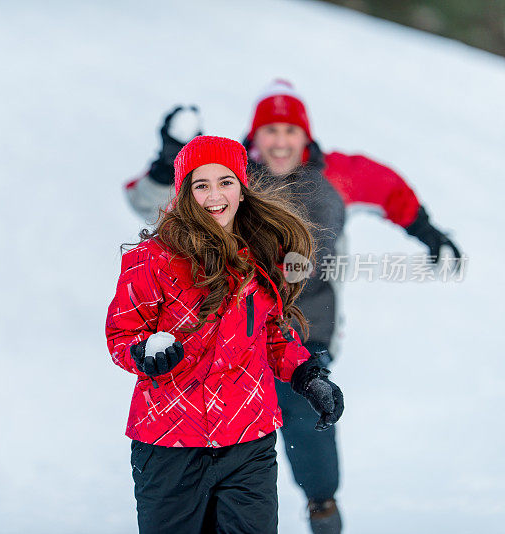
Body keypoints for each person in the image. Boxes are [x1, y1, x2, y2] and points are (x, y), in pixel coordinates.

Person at [122, 82, 462, 533]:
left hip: (309, 325)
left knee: (305, 416)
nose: (280, 141)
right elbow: (149, 204)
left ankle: (322, 502)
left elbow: (391, 191)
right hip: (229, 327)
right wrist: (168, 163)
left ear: (306, 136)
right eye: (269, 131)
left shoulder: (337, 174)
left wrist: (429, 233)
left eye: (289, 130)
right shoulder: (229, 174)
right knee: (236, 422)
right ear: (254, 136)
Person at [106, 135, 345, 534]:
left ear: (242, 188)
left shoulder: (263, 253)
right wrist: (144, 352)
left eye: (226, 181)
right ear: (185, 193)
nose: (214, 194)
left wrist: (307, 375)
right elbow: (122, 334)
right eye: (201, 184)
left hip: (248, 440)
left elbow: (273, 331)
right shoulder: (150, 261)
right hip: (170, 444)